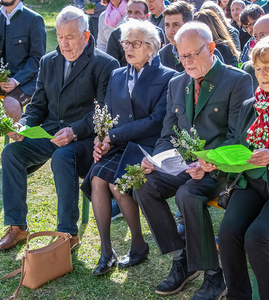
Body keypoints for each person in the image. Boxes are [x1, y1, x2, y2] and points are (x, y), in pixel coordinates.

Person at [134, 22, 253, 299]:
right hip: (184, 165)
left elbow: (239, 137)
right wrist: (156, 160)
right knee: (144, 185)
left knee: (188, 195)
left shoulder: (236, 80)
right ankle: (182, 259)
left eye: (192, 55)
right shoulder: (177, 83)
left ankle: (214, 275)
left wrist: (209, 162)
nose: (186, 62)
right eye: (180, 55)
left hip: (220, 169)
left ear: (211, 48)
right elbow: (167, 135)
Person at [0, 6, 119, 252]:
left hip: (84, 137)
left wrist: (74, 131)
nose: (63, 43)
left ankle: (67, 233)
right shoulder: (48, 61)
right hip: (52, 132)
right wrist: (24, 124)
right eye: (60, 36)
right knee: (10, 153)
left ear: (86, 37)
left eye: (70, 37)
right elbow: (38, 106)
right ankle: (17, 227)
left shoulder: (106, 64)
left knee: (62, 157)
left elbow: (103, 113)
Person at [81, 18, 176, 275]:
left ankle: (137, 244)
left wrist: (113, 135)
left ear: (152, 47)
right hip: (118, 144)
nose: (128, 48)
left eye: (136, 43)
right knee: (98, 179)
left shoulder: (168, 77)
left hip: (147, 147)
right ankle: (106, 251)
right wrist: (101, 140)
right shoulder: (117, 74)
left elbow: (157, 121)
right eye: (126, 42)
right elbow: (109, 113)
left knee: (115, 181)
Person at [215, 35, 269, 300]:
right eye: (258, 68)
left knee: (257, 238)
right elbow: (238, 146)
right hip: (252, 184)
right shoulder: (251, 105)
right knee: (228, 235)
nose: (262, 74)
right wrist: (214, 162)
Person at [0, 0, 46, 122]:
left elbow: (38, 59)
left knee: (10, 105)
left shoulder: (34, 19)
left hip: (28, 80)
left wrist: (16, 80)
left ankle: (21, 140)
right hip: (1, 80)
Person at [106, 0, 166, 67]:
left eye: (137, 13)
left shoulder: (157, 33)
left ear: (147, 16)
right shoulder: (116, 35)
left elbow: (161, 61)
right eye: (129, 12)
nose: (132, 16)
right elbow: (112, 65)